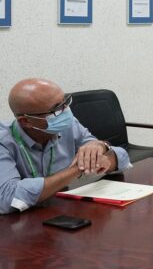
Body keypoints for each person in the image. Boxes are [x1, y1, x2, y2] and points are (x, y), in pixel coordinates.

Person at [0, 78, 131, 215]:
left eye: (65, 102)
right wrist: (78, 169)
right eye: (56, 110)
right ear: (26, 121)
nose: (66, 111)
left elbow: (121, 158)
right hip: (20, 224)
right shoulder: (4, 141)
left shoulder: (69, 124)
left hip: (62, 208)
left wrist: (101, 146)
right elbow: (7, 198)